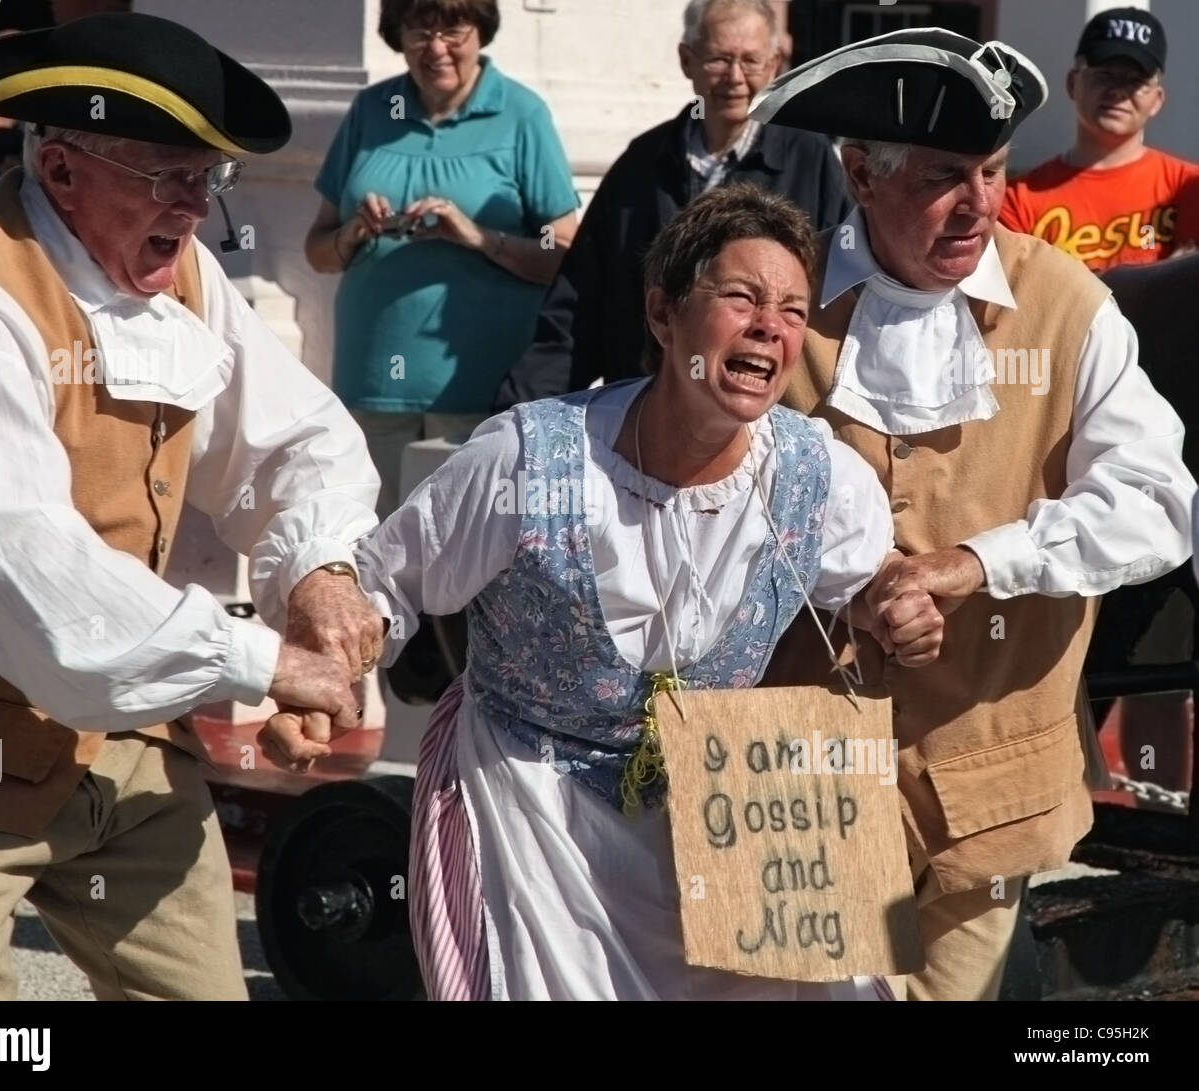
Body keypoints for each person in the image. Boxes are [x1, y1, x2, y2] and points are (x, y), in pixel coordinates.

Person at [265, 184, 946, 1000]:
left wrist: (891, 608)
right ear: (663, 314)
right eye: (741, 297)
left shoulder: (817, 472)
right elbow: (384, 581)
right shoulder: (528, 459)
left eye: (794, 310)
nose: (772, 324)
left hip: (724, 802)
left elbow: (860, 581)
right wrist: (320, 685)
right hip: (530, 805)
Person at [0, 12, 386, 1001]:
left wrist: (318, 573)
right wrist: (262, 661)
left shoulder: (187, 279)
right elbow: (31, 566)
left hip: (126, 743)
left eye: (207, 179)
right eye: (167, 175)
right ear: (64, 167)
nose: (197, 208)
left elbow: (295, 438)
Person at [752, 27, 1196, 1001]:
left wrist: (975, 562)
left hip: (991, 775)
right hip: (791, 762)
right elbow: (691, 491)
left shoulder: (1065, 304)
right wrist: (846, 588)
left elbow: (1158, 501)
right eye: (946, 176)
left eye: (993, 172)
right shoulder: (771, 300)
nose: (980, 204)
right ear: (860, 172)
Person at [493, 0, 848, 411]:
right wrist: (517, 414)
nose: (734, 77)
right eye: (718, 59)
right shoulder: (643, 163)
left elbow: (839, 301)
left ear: (775, 64)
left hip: (759, 418)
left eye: (750, 61)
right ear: (687, 60)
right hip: (645, 421)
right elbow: (577, 308)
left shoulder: (811, 159)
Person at [304, 0, 578, 519]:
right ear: (397, 33)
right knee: (374, 548)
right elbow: (317, 252)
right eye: (419, 29)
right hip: (371, 382)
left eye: (453, 28)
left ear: (480, 31)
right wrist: (355, 231)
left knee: (465, 555)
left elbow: (565, 253)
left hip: (479, 387)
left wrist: (475, 236)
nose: (435, 47)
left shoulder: (521, 114)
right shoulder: (371, 110)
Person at [999, 7, 1199, 270]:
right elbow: (1022, 298)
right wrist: (1157, 276)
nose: (1117, 92)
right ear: (1073, 83)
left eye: (1135, 81)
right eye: (1103, 75)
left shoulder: (1188, 187)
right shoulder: (1017, 198)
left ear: (1157, 99)